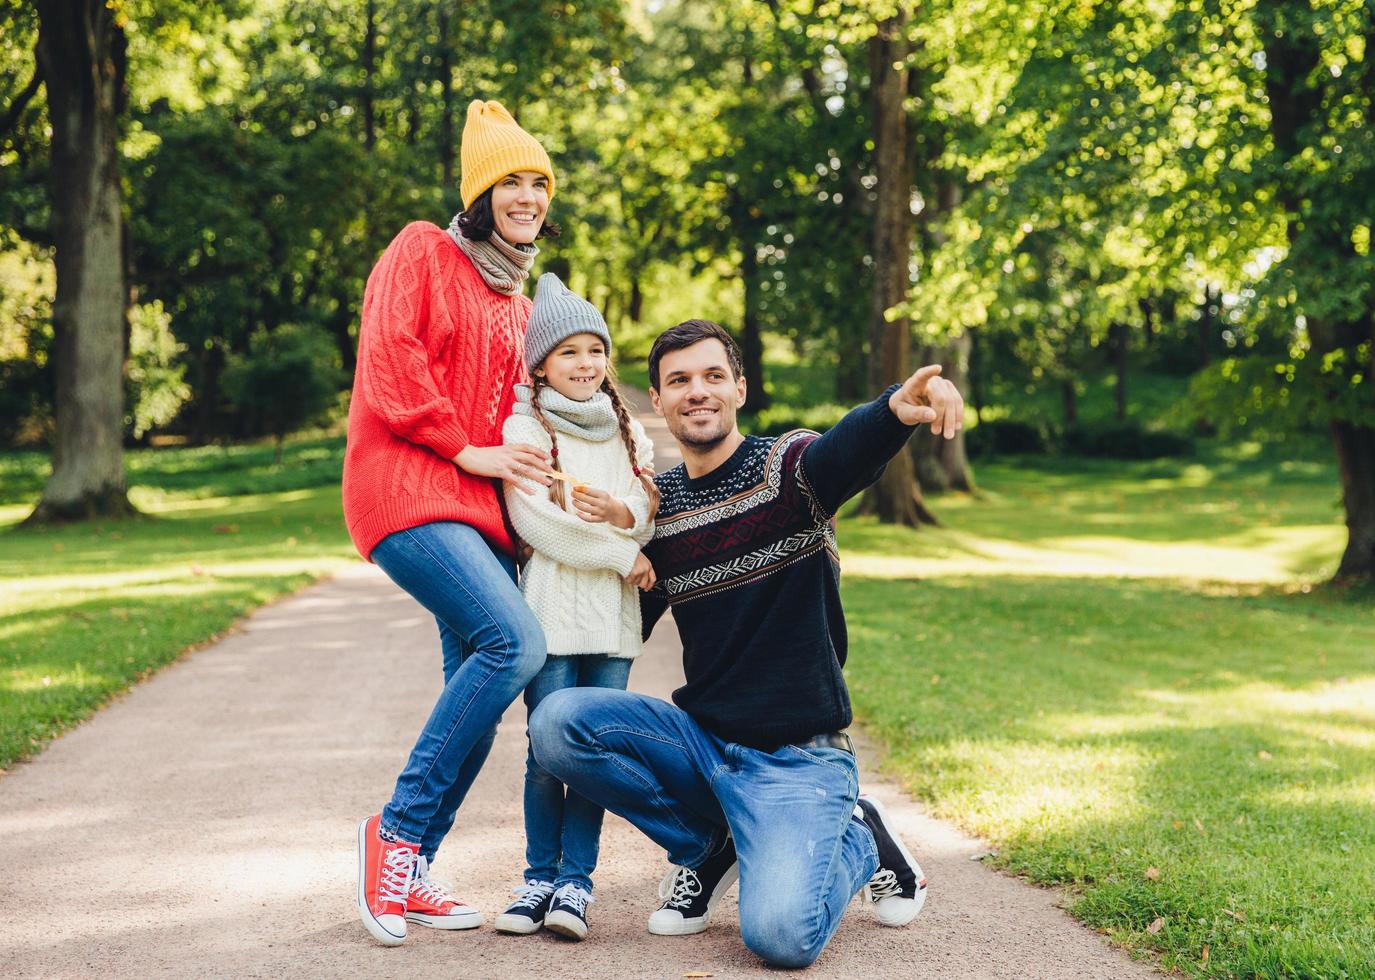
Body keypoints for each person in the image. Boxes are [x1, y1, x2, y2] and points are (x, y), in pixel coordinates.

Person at [529, 319, 963, 967]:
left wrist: (893, 411)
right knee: (559, 723)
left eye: (711, 376)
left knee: (780, 938)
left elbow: (843, 451)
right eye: (678, 381)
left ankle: (858, 839)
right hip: (704, 750)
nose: (696, 392)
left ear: (738, 388)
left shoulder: (787, 472)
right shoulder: (658, 509)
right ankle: (709, 846)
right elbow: (616, 620)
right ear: (657, 399)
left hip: (797, 762)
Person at [343, 99, 563, 947]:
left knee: (481, 678)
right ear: (479, 192)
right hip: (407, 488)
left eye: (539, 181)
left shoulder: (517, 297)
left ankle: (414, 865)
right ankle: (393, 832)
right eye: (511, 179)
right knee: (516, 643)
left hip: (480, 516)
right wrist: (464, 449)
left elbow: (538, 405)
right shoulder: (421, 250)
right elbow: (390, 365)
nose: (528, 195)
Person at [490, 274, 659, 941]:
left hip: (611, 624)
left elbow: (646, 511)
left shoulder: (628, 432)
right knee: (545, 751)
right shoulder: (523, 428)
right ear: (541, 365)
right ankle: (537, 877)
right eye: (569, 353)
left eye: (595, 350)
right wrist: (621, 553)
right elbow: (537, 524)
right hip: (553, 619)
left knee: (591, 752)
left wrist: (625, 515)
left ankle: (575, 884)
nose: (585, 364)